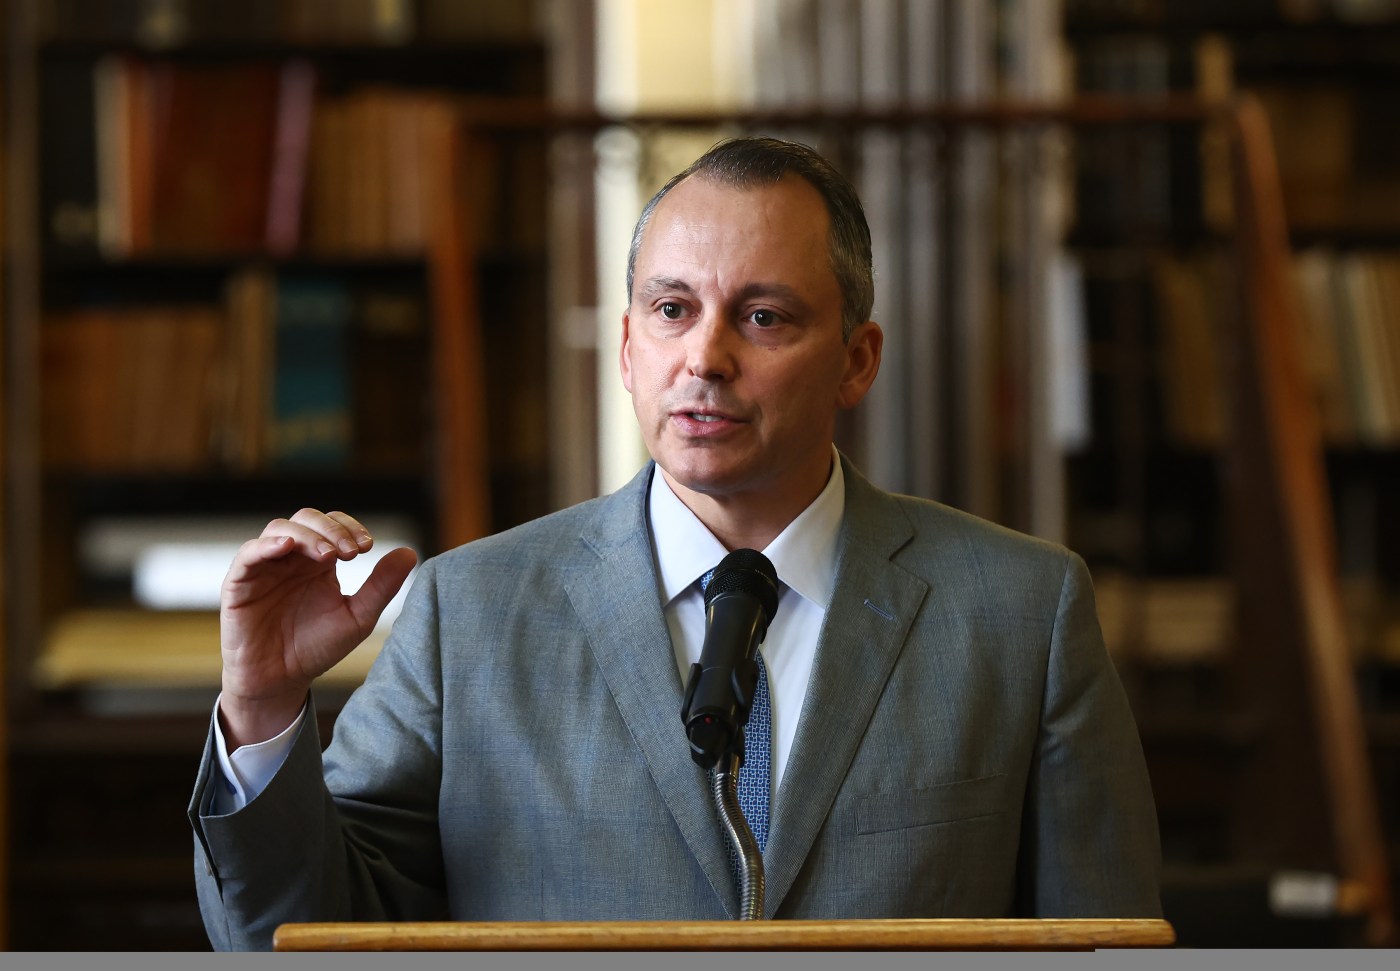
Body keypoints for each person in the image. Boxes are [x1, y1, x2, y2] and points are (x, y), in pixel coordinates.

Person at [189, 136, 1162, 951]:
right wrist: (263, 707)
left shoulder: (1023, 611)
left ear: (856, 360)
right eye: (671, 310)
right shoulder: (467, 611)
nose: (704, 356)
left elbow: (1103, 945)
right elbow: (300, 939)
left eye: (763, 316)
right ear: (627, 348)